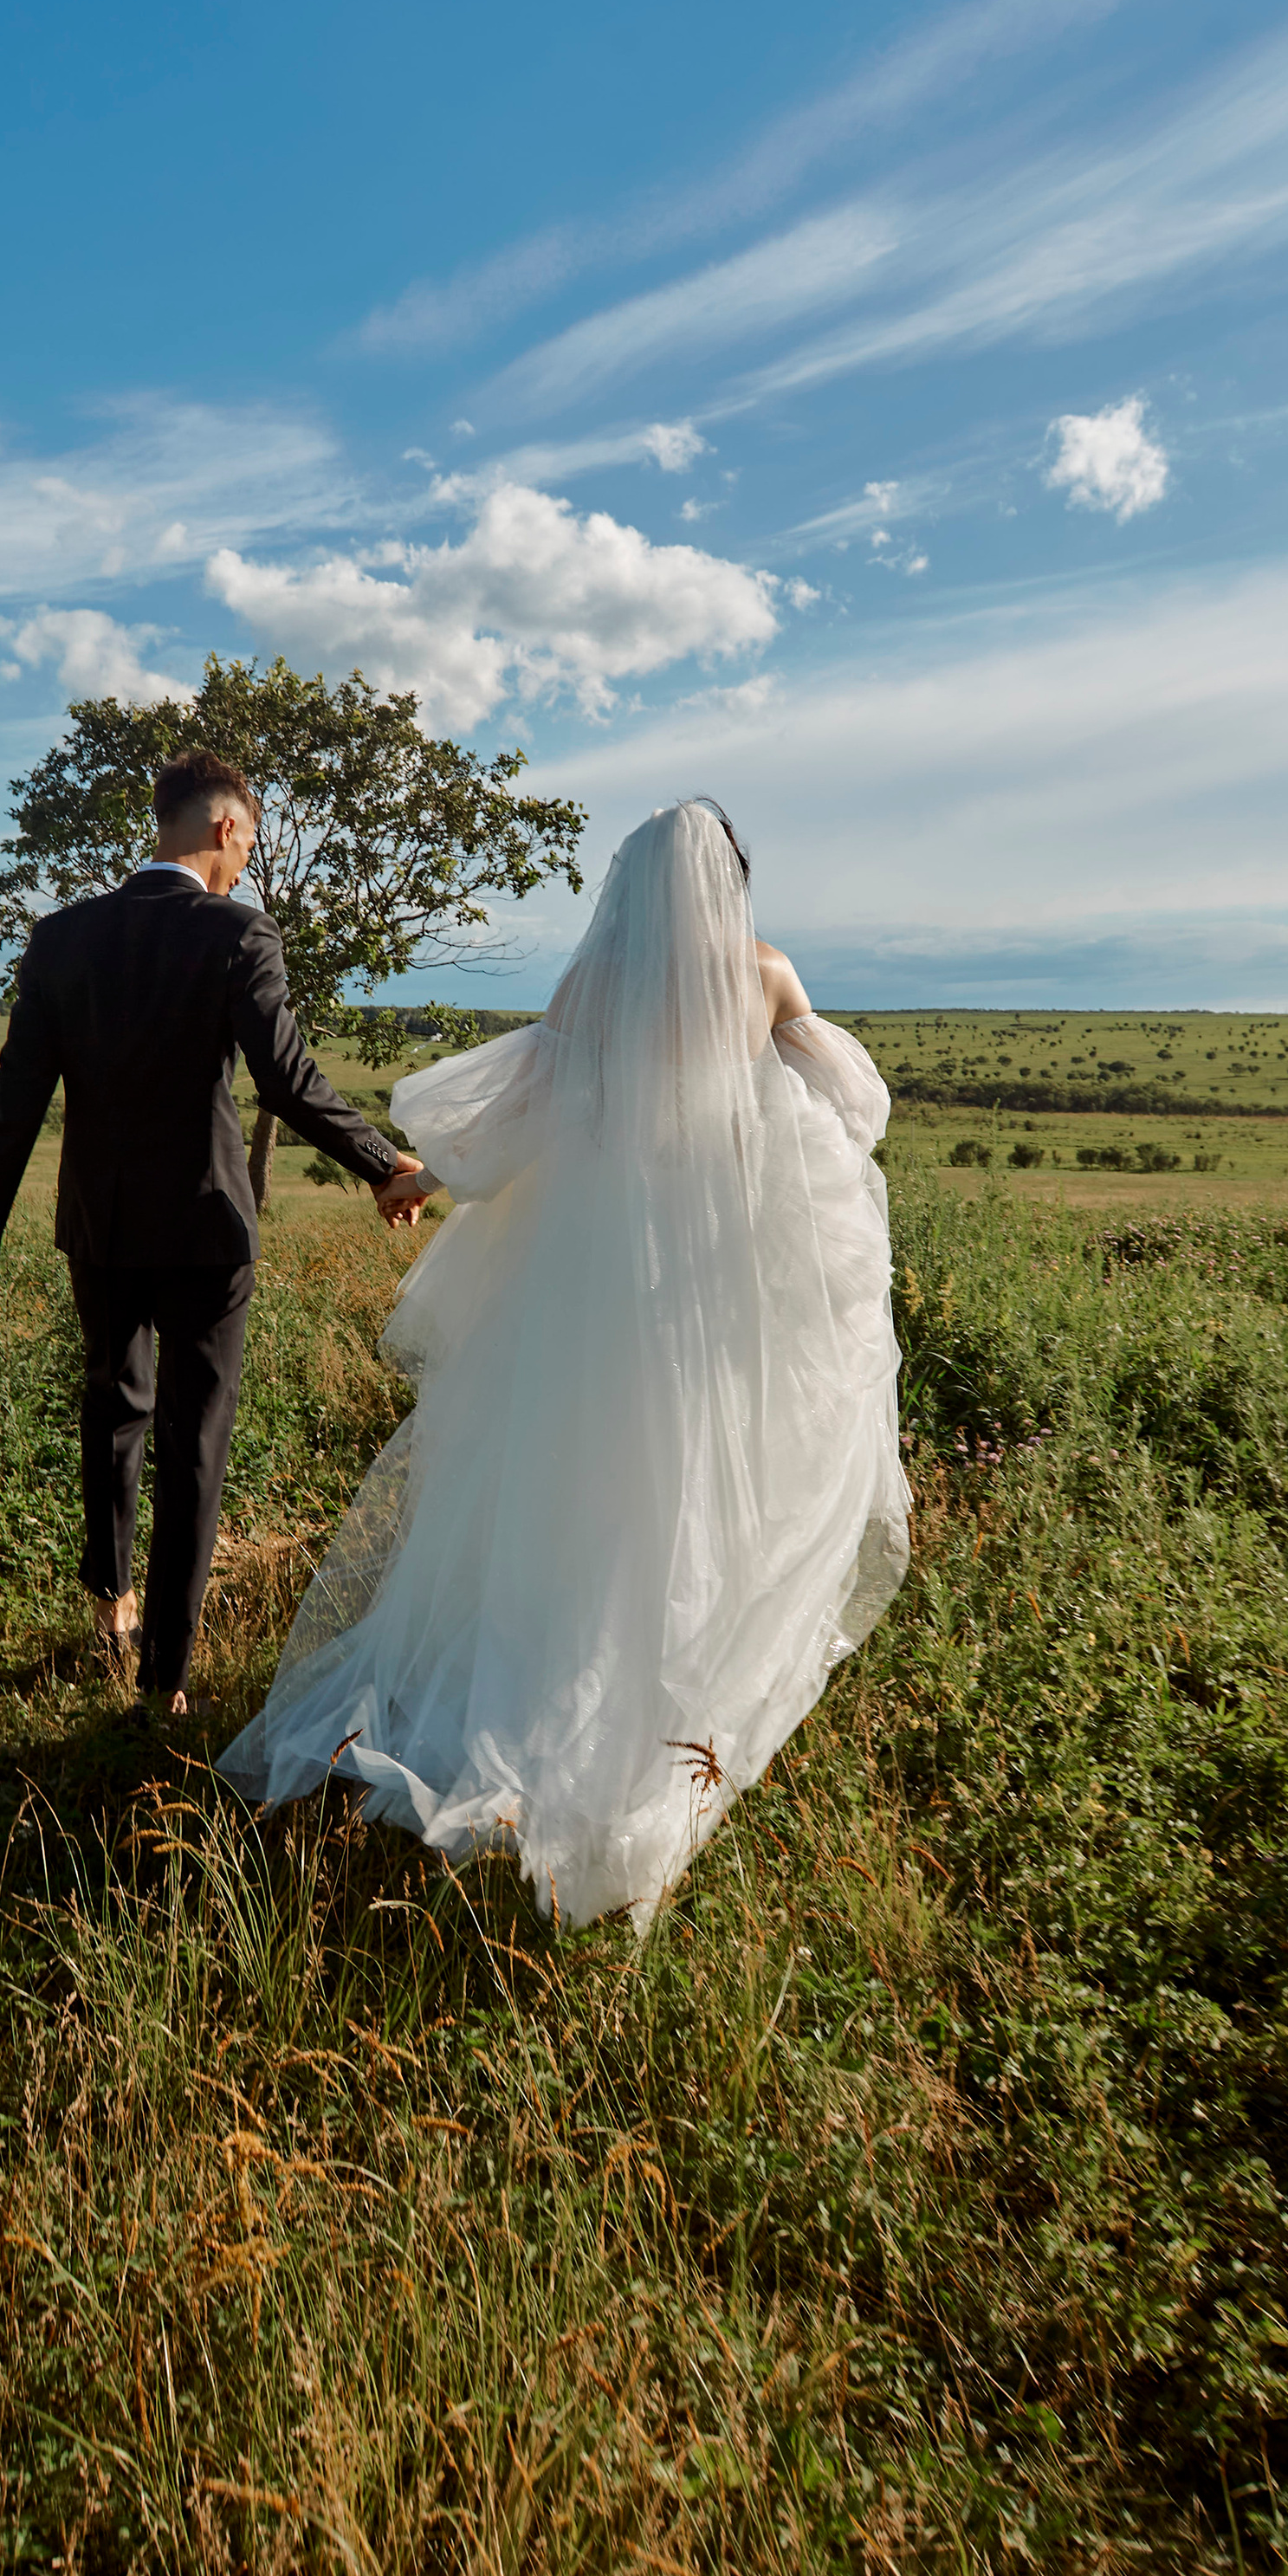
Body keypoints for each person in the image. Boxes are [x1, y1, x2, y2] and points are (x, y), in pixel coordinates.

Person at [218, 798, 909, 1932]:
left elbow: (515, 1124)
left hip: (591, 1281)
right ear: (726, 885)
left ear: (629, 892)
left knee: (573, 1491)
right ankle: (649, 1730)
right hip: (706, 1290)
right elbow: (850, 1112)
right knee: (684, 1490)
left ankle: (529, 1708)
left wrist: (417, 1176)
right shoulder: (768, 976)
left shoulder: (592, 992)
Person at [0, 748, 431, 1718]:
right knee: (193, 1439)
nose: (247, 860)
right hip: (207, 1231)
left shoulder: (62, 938)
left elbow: (14, 1103)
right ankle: (164, 1678)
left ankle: (109, 1603)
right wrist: (387, 1165)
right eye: (248, 840)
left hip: (99, 1224)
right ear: (224, 829)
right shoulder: (236, 935)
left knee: (111, 1407)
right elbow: (289, 1082)